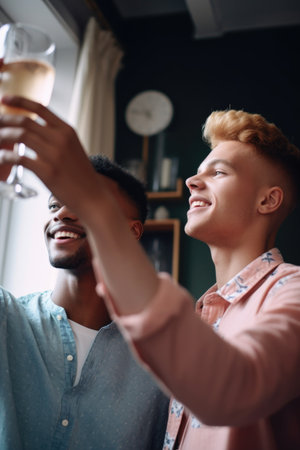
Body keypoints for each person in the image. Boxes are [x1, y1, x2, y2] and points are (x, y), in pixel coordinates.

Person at [1, 96, 300, 450]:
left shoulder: (291, 292)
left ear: (268, 201)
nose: (191, 181)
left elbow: (236, 386)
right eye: (198, 171)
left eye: (218, 172)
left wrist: (95, 203)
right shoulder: (200, 319)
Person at [0, 149, 169, 449]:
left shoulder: (162, 362)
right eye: (55, 204)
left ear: (131, 232)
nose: (61, 213)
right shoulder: (7, 318)